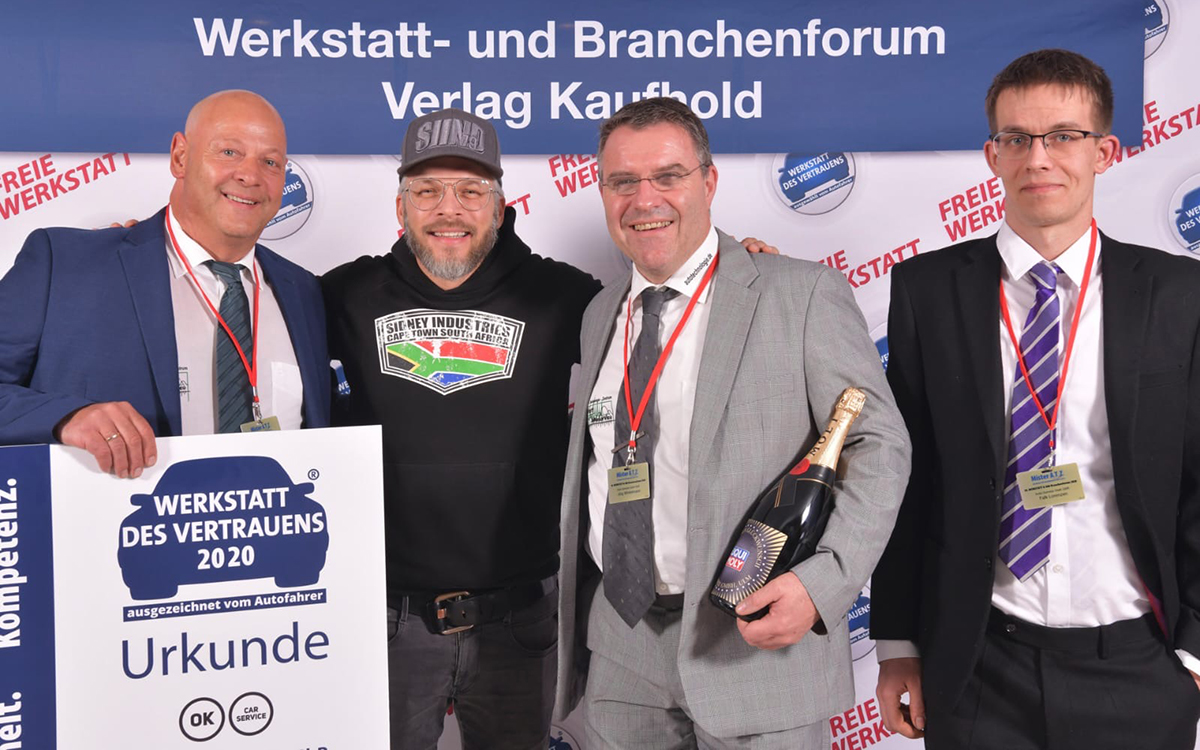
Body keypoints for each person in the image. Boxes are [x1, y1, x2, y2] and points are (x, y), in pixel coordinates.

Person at [553, 96, 911, 748]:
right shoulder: (602, 311)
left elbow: (878, 444)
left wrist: (821, 585)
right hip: (622, 648)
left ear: (709, 181)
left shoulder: (799, 293)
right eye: (622, 181)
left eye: (668, 176)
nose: (644, 199)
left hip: (755, 645)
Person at [871, 48, 1200, 749]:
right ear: (992, 154)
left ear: (1105, 151)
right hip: (979, 667)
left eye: (1063, 136)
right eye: (1017, 138)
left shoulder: (1178, 294)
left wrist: (1194, 652)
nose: (1038, 158)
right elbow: (906, 478)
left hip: (1138, 665)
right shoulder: (927, 291)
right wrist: (897, 641)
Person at [321, 108, 602, 749]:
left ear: (500, 207)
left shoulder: (565, 297)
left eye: (471, 191)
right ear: (400, 207)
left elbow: (670, 316)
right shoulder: (342, 296)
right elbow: (245, 309)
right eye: (427, 191)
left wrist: (737, 268)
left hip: (521, 620)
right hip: (384, 620)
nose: (449, 209)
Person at [0, 90, 330, 474]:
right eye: (229, 152)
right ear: (180, 157)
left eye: (270, 162)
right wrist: (66, 417)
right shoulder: (65, 264)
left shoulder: (304, 292)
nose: (250, 176)